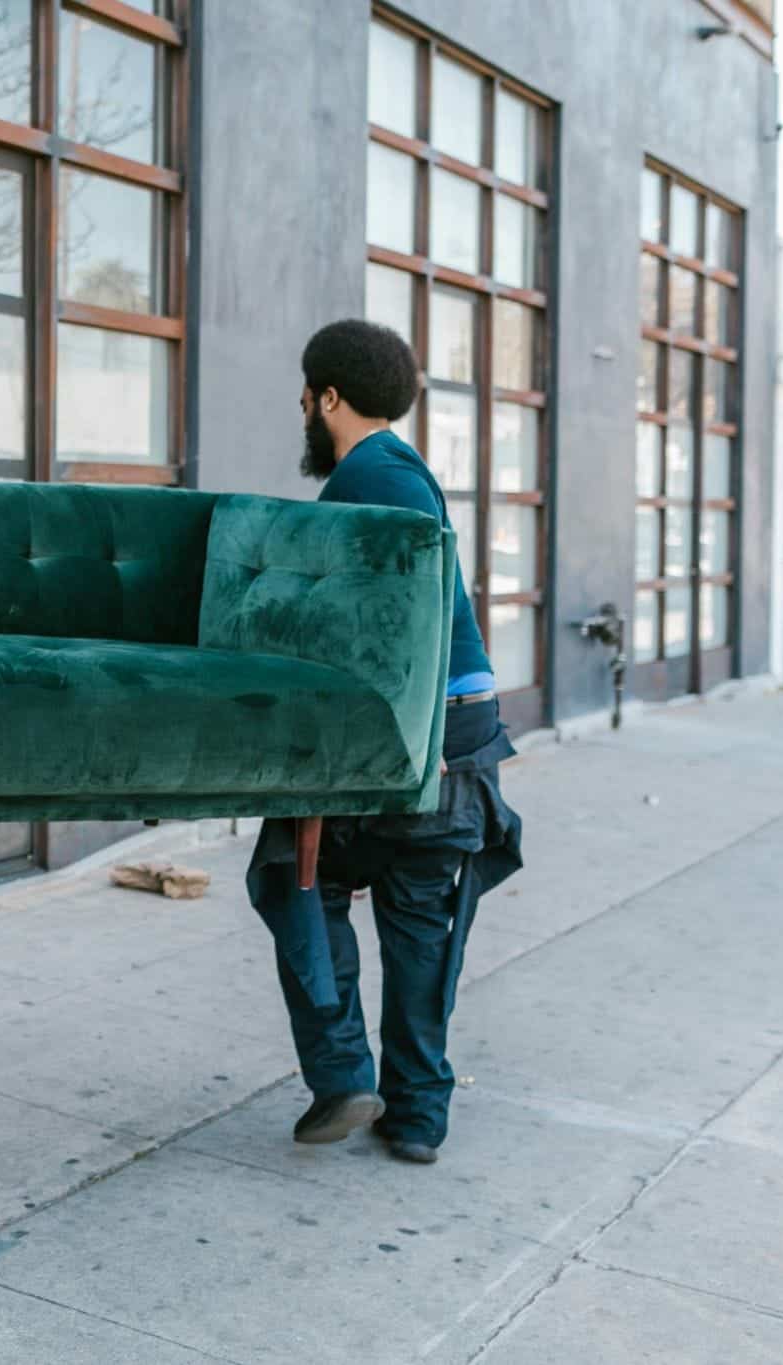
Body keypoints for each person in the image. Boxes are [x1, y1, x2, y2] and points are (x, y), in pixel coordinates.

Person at [247, 319, 523, 1164]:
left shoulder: (374, 477)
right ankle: (417, 1113)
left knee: (294, 873)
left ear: (328, 396)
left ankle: (342, 1075)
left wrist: (417, 728)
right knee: (417, 915)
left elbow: (410, 611)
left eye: (306, 395)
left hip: (421, 733)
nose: (301, 408)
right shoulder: (400, 469)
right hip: (457, 730)